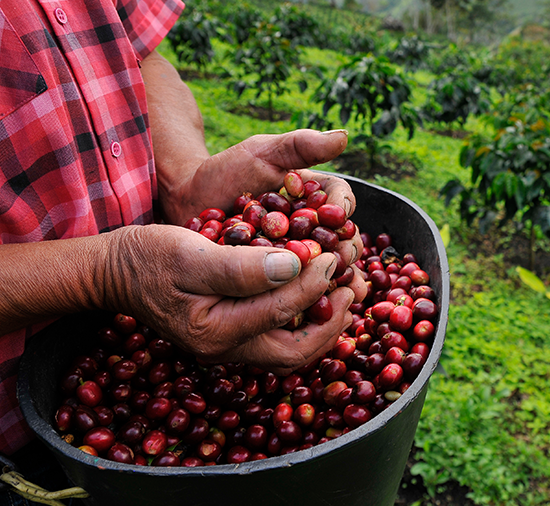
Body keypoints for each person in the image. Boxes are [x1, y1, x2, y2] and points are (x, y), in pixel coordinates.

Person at [0, 0, 366, 502]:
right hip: (14, 435)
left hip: (153, 314)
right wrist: (107, 272)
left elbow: (140, 54)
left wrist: (183, 180)